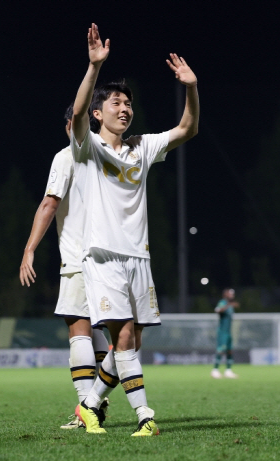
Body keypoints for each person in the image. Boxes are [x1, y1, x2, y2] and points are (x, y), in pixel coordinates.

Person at [70, 23, 199, 436]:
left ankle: (88, 405)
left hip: (138, 257)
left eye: (128, 103)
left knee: (131, 342)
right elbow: (76, 116)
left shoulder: (141, 147)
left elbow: (187, 129)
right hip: (103, 256)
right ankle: (146, 416)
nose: (124, 108)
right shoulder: (89, 146)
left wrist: (191, 88)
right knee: (123, 335)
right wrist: (94, 67)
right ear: (99, 113)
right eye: (116, 103)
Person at [19, 104, 110, 430]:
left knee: (78, 328)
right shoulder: (108, 155)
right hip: (111, 258)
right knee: (99, 330)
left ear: (70, 125)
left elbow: (49, 203)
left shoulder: (66, 156)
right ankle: (98, 401)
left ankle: (88, 406)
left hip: (79, 257)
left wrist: (29, 249)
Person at [211, 288, 239, 379]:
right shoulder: (222, 302)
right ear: (225, 294)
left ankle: (228, 371)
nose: (232, 295)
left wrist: (230, 305)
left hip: (228, 332)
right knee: (221, 349)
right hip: (222, 331)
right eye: (230, 294)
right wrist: (228, 305)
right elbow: (218, 310)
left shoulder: (230, 305)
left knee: (230, 350)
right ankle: (215, 370)